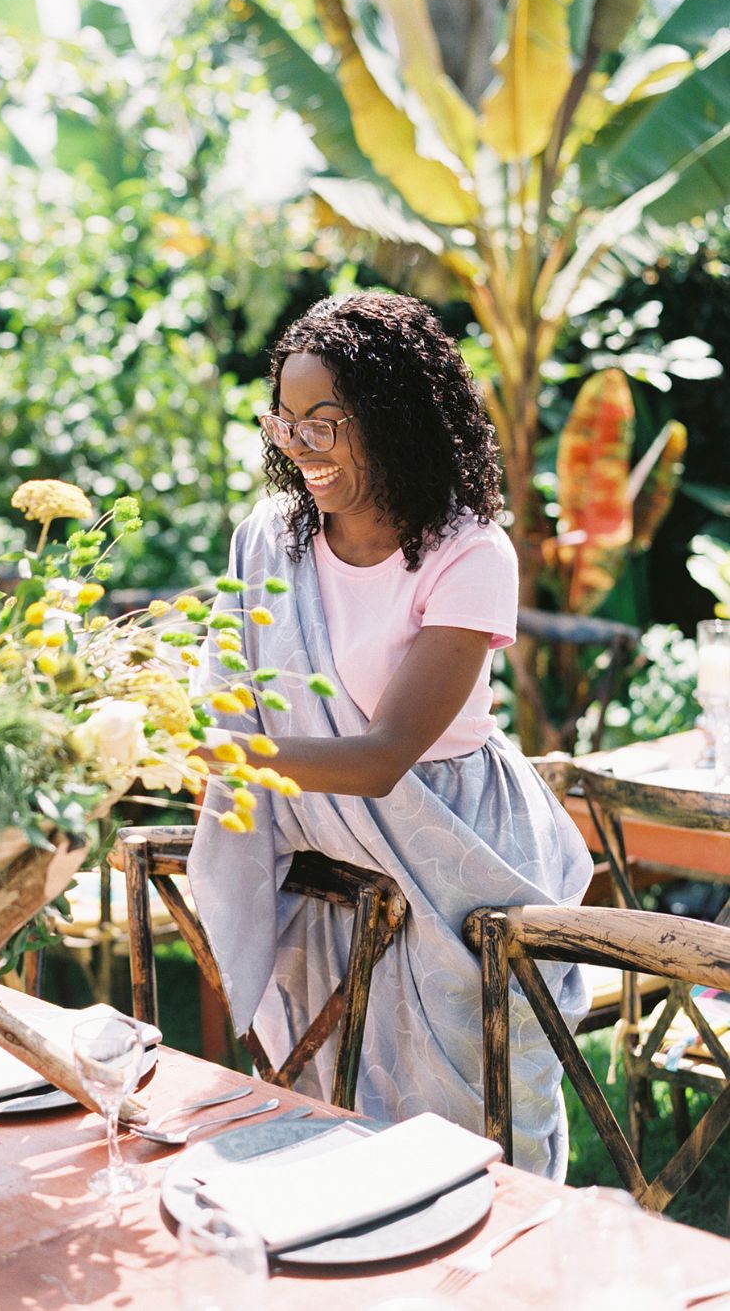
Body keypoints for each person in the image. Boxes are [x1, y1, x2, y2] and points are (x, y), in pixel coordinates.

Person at [187, 291, 593, 1179]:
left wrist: (215, 759)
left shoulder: (467, 553)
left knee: (465, 1143)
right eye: (284, 421)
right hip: (326, 857)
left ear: (394, 417)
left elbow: (380, 760)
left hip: (448, 842)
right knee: (331, 1132)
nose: (298, 446)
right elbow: (226, 694)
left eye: (324, 423)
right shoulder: (267, 542)